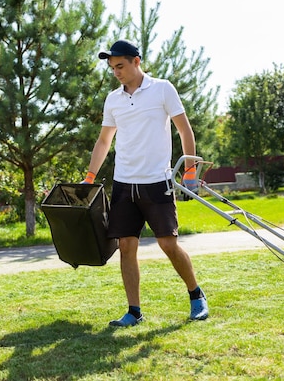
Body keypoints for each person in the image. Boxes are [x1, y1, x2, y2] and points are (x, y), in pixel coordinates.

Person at [81, 39, 209, 327]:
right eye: (112, 68)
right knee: (126, 246)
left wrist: (189, 171)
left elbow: (184, 130)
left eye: (121, 66)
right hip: (124, 184)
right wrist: (89, 177)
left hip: (156, 180)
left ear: (136, 61)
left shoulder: (162, 89)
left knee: (168, 244)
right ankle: (134, 311)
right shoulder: (113, 99)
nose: (116, 72)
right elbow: (104, 141)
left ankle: (196, 294)